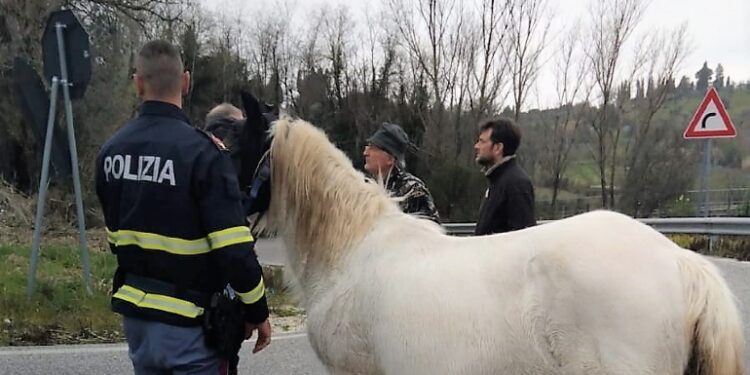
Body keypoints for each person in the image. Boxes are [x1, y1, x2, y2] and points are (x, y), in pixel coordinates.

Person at [95, 40, 271, 375]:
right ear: (186, 82)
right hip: (192, 328)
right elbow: (234, 251)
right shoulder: (204, 154)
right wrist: (258, 310)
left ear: (138, 83)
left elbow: (116, 240)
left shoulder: (110, 152)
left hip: (139, 326)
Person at [363, 122, 440, 223]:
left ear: (390, 159)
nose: (365, 153)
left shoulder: (413, 190)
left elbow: (431, 234)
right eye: (367, 147)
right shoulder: (365, 187)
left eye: (373, 148)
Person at [473, 118, 536, 235]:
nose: (477, 146)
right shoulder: (498, 180)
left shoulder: (517, 184)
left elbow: (524, 239)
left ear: (497, 148)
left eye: (482, 141)